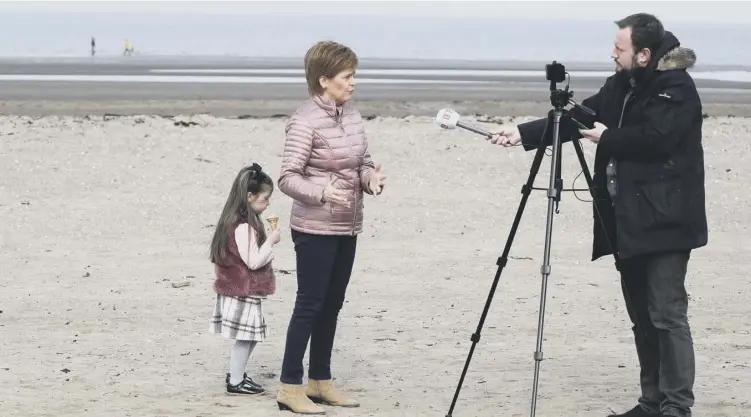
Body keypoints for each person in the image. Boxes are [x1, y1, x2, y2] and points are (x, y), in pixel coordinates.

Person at [490, 13, 707, 417]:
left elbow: (657, 141)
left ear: (643, 54)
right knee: (642, 317)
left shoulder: (676, 87)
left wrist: (609, 137)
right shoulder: (623, 83)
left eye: (619, 49)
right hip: (628, 219)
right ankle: (651, 402)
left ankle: (677, 407)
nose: (612, 54)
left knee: (666, 315)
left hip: (667, 221)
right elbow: (583, 115)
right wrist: (525, 133)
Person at [275, 40, 386, 414]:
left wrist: (371, 179)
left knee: (333, 305)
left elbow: (363, 161)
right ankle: (290, 387)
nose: (353, 83)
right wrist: (323, 193)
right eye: (347, 76)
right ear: (324, 80)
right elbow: (287, 178)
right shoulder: (304, 120)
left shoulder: (351, 114)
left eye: (354, 75)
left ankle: (320, 381)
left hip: (348, 225)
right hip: (313, 227)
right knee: (310, 304)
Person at [208, 163, 281, 396]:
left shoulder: (237, 222)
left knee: (252, 336)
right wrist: (270, 242)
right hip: (243, 291)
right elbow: (253, 261)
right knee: (246, 336)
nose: (268, 203)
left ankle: (237, 374)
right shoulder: (244, 227)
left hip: (241, 289)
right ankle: (236, 380)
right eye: (265, 198)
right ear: (250, 196)